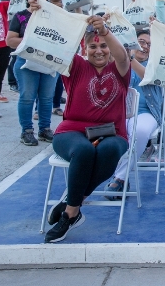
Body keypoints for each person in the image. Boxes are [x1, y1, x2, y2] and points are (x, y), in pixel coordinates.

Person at [43, 12, 132, 243]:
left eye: (103, 45)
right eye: (93, 47)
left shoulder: (120, 69)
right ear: (85, 49)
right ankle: (72, 211)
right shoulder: (76, 66)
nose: (99, 50)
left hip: (111, 132)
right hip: (71, 131)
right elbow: (55, 40)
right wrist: (40, 12)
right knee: (84, 151)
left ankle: (70, 208)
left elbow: (122, 55)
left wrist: (104, 30)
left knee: (109, 151)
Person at [105, 29, 165, 196]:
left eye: (149, 44)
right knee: (113, 134)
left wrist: (128, 57)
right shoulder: (118, 60)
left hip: (147, 112)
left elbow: (148, 76)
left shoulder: (157, 64)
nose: (144, 46)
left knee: (139, 131)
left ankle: (120, 178)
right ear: (133, 41)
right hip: (118, 112)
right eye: (141, 42)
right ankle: (119, 176)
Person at [6, 0, 57, 146]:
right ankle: (27, 131)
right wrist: (33, 39)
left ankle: (45, 129)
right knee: (27, 97)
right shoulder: (20, 16)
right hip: (25, 64)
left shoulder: (53, 16)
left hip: (48, 62)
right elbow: (10, 41)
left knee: (47, 99)